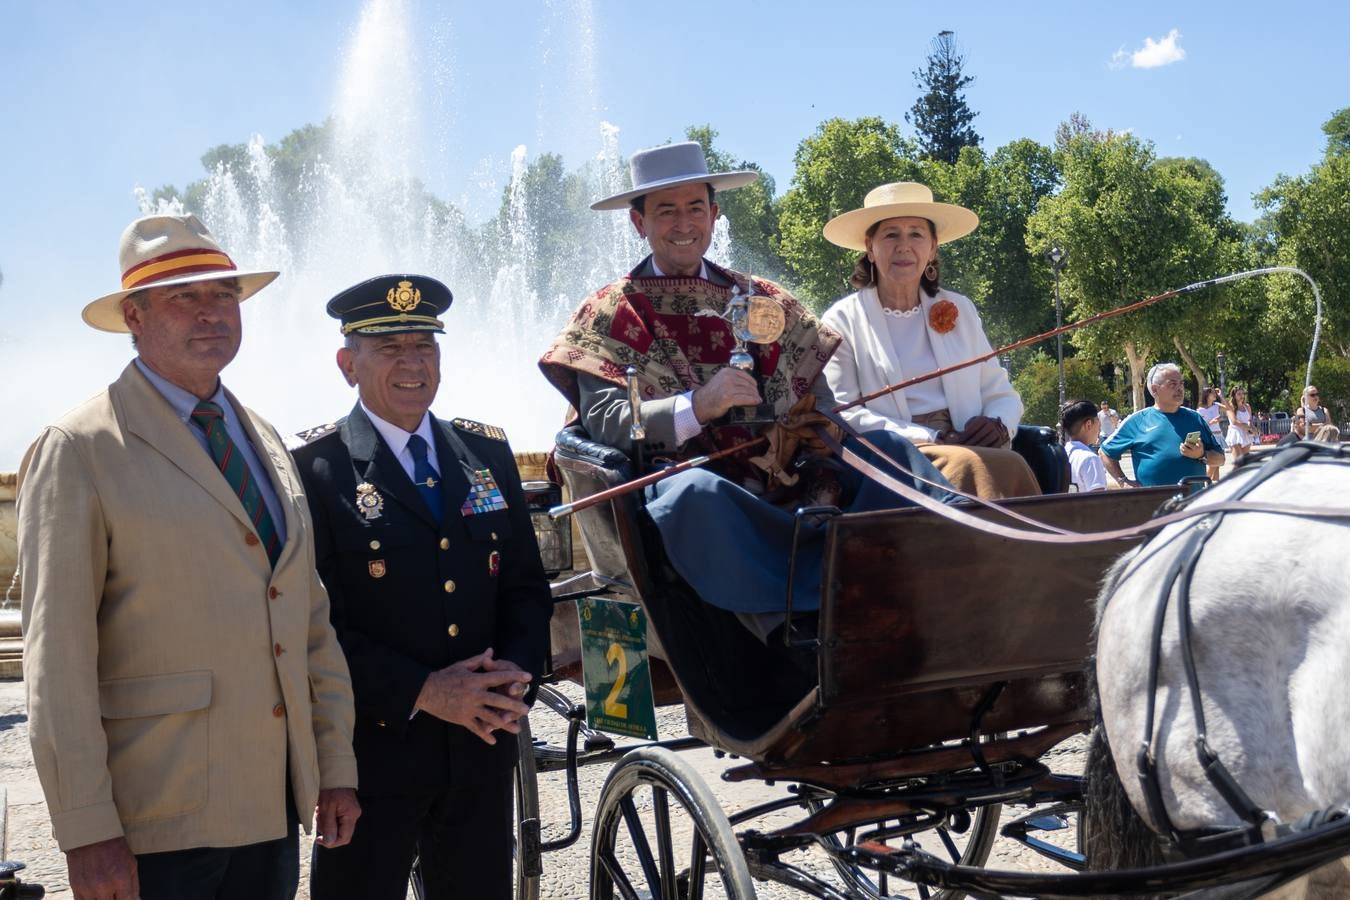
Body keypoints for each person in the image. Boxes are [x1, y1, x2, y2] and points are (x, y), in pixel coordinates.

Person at [16, 214, 359, 900]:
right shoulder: (80, 446)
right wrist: (85, 829)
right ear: (134, 318)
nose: (212, 313)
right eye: (185, 297)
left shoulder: (259, 434)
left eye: (224, 295)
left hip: (269, 808)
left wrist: (331, 766)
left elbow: (307, 617)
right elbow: (57, 660)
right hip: (155, 818)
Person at [539, 142, 957, 628]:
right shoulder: (609, 314)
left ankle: (967, 561)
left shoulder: (765, 301)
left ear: (714, 216)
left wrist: (814, 422)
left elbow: (819, 404)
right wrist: (699, 405)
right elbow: (610, 423)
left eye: (695, 208)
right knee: (694, 495)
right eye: (666, 211)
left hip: (791, 477)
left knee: (886, 450)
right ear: (640, 223)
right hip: (698, 495)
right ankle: (798, 631)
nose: (683, 224)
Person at [293, 275, 553, 900]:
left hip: (481, 747)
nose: (413, 364)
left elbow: (524, 587)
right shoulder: (315, 469)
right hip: (374, 755)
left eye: (425, 346)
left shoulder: (486, 455)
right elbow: (311, 625)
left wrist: (512, 676)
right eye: (389, 349)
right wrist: (426, 691)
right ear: (346, 364)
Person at [818, 182, 1039, 500]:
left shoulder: (959, 308)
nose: (904, 246)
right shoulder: (842, 319)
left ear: (933, 247)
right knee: (977, 465)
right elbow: (844, 413)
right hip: (897, 458)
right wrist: (932, 436)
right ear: (870, 247)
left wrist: (998, 425)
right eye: (891, 234)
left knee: (1006, 460)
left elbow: (1001, 393)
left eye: (916, 234)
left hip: (972, 447)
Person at [1100, 363, 1224, 488]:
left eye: (1181, 383)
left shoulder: (1195, 418)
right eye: (1172, 384)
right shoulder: (1137, 421)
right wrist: (1123, 481)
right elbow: (1104, 452)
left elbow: (1221, 459)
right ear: (1155, 389)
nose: (1180, 388)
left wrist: (1201, 454)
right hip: (1153, 504)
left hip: (1193, 504)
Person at [1059, 400, 1107, 492]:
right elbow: (1100, 502)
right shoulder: (1090, 459)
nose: (1099, 426)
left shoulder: (1062, 454)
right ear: (1088, 424)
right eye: (1098, 421)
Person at [1196, 386, 1227, 481]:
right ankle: (1202, 481)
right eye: (1212, 393)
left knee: (1218, 465)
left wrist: (1221, 396)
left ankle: (1214, 487)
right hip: (1210, 436)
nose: (1214, 394)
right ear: (1207, 395)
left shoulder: (1217, 405)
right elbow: (1200, 426)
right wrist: (1211, 422)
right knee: (1215, 463)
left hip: (1219, 435)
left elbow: (1229, 408)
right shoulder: (1200, 410)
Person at [1224, 385, 1258, 463]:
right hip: (1235, 434)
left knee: (1245, 462)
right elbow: (1234, 421)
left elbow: (1249, 420)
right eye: (1239, 394)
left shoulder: (1247, 406)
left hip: (1246, 434)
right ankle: (1234, 475)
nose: (1242, 396)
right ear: (1234, 396)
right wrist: (1247, 427)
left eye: (1243, 394)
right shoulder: (1230, 407)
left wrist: (1252, 428)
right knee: (1239, 462)